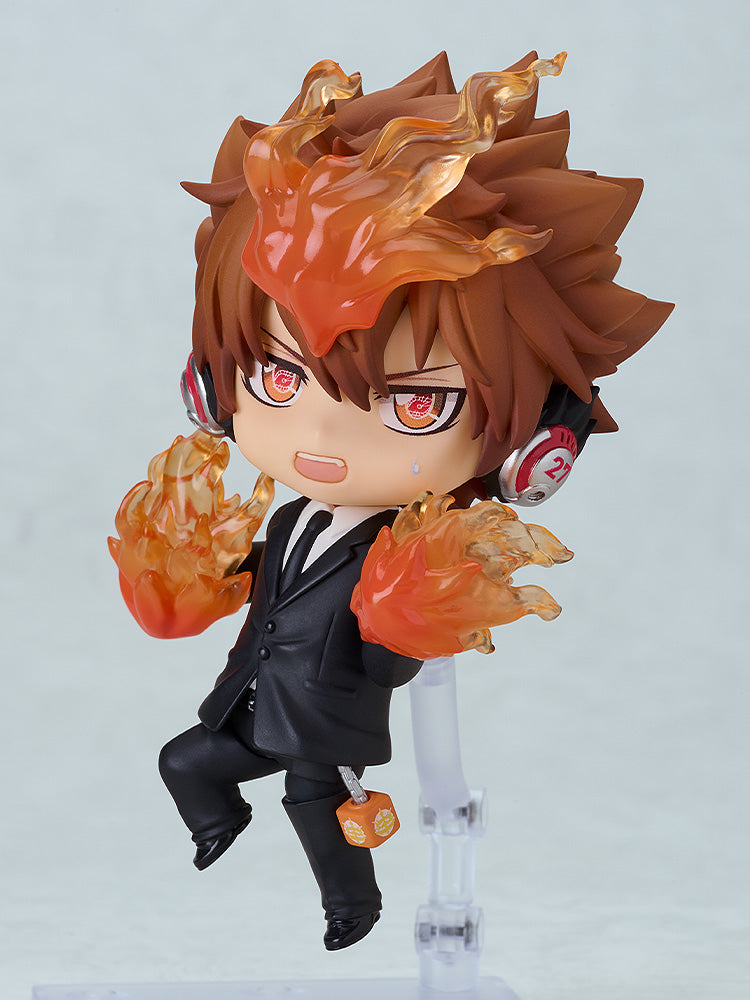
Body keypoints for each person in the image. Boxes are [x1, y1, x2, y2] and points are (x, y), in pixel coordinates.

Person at [111, 51, 672, 950]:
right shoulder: (291, 514)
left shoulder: (406, 549)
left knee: (315, 803)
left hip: (327, 713)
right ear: (211, 388)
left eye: (415, 404)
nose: (323, 437)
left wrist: (408, 620)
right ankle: (221, 825)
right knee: (186, 761)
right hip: (255, 698)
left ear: (535, 450)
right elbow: (264, 581)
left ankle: (353, 907)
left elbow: (390, 660)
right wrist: (189, 577)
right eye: (277, 378)